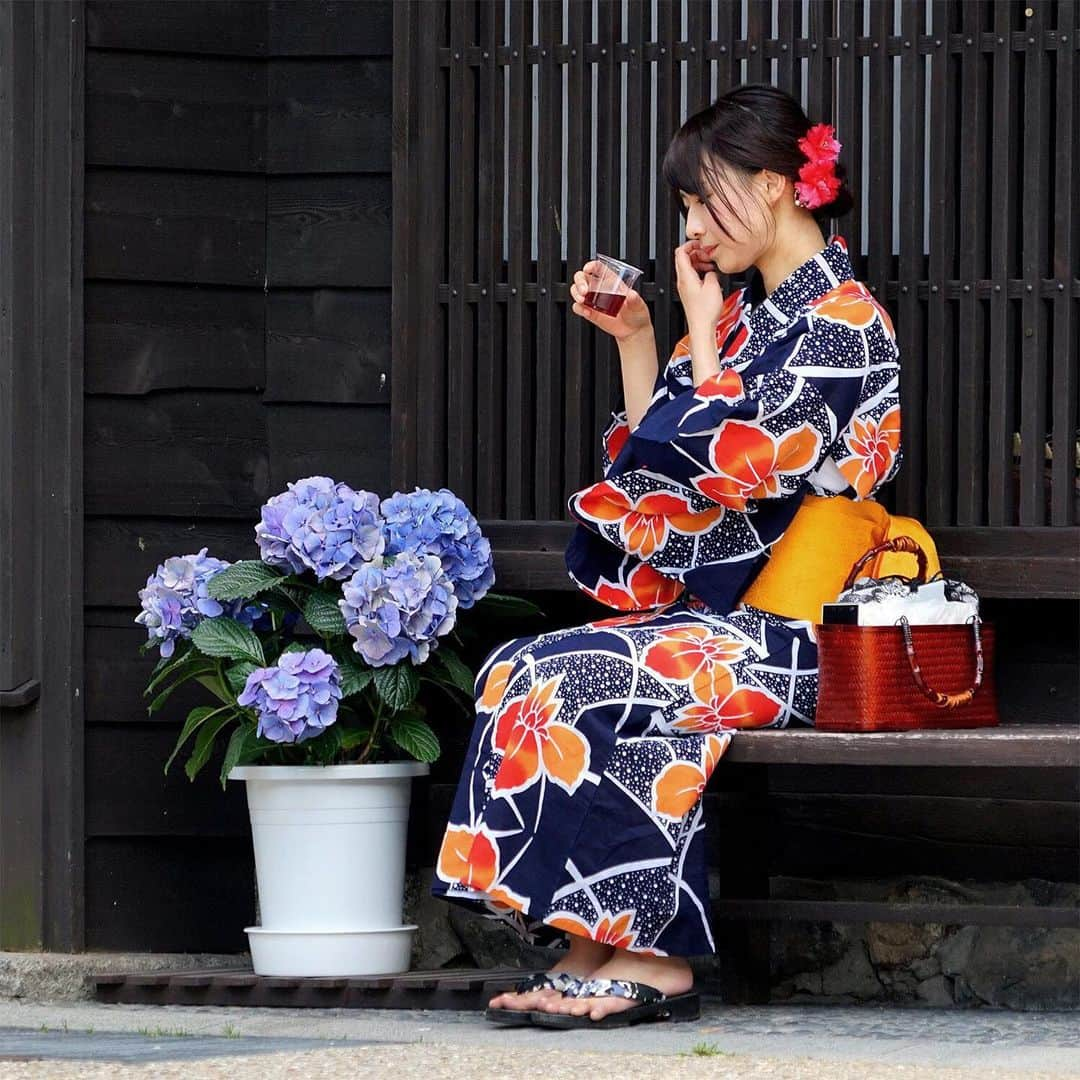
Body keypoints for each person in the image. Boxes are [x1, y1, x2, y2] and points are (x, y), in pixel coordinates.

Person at [429, 83, 902, 1029]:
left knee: (604, 673)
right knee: (523, 664)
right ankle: (592, 942)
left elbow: (729, 460)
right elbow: (663, 475)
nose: (688, 225)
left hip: (804, 631)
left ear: (771, 187)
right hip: (723, 620)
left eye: (700, 198)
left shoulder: (848, 325)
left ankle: (653, 957)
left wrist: (691, 329)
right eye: (684, 204)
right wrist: (642, 342)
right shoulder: (741, 322)